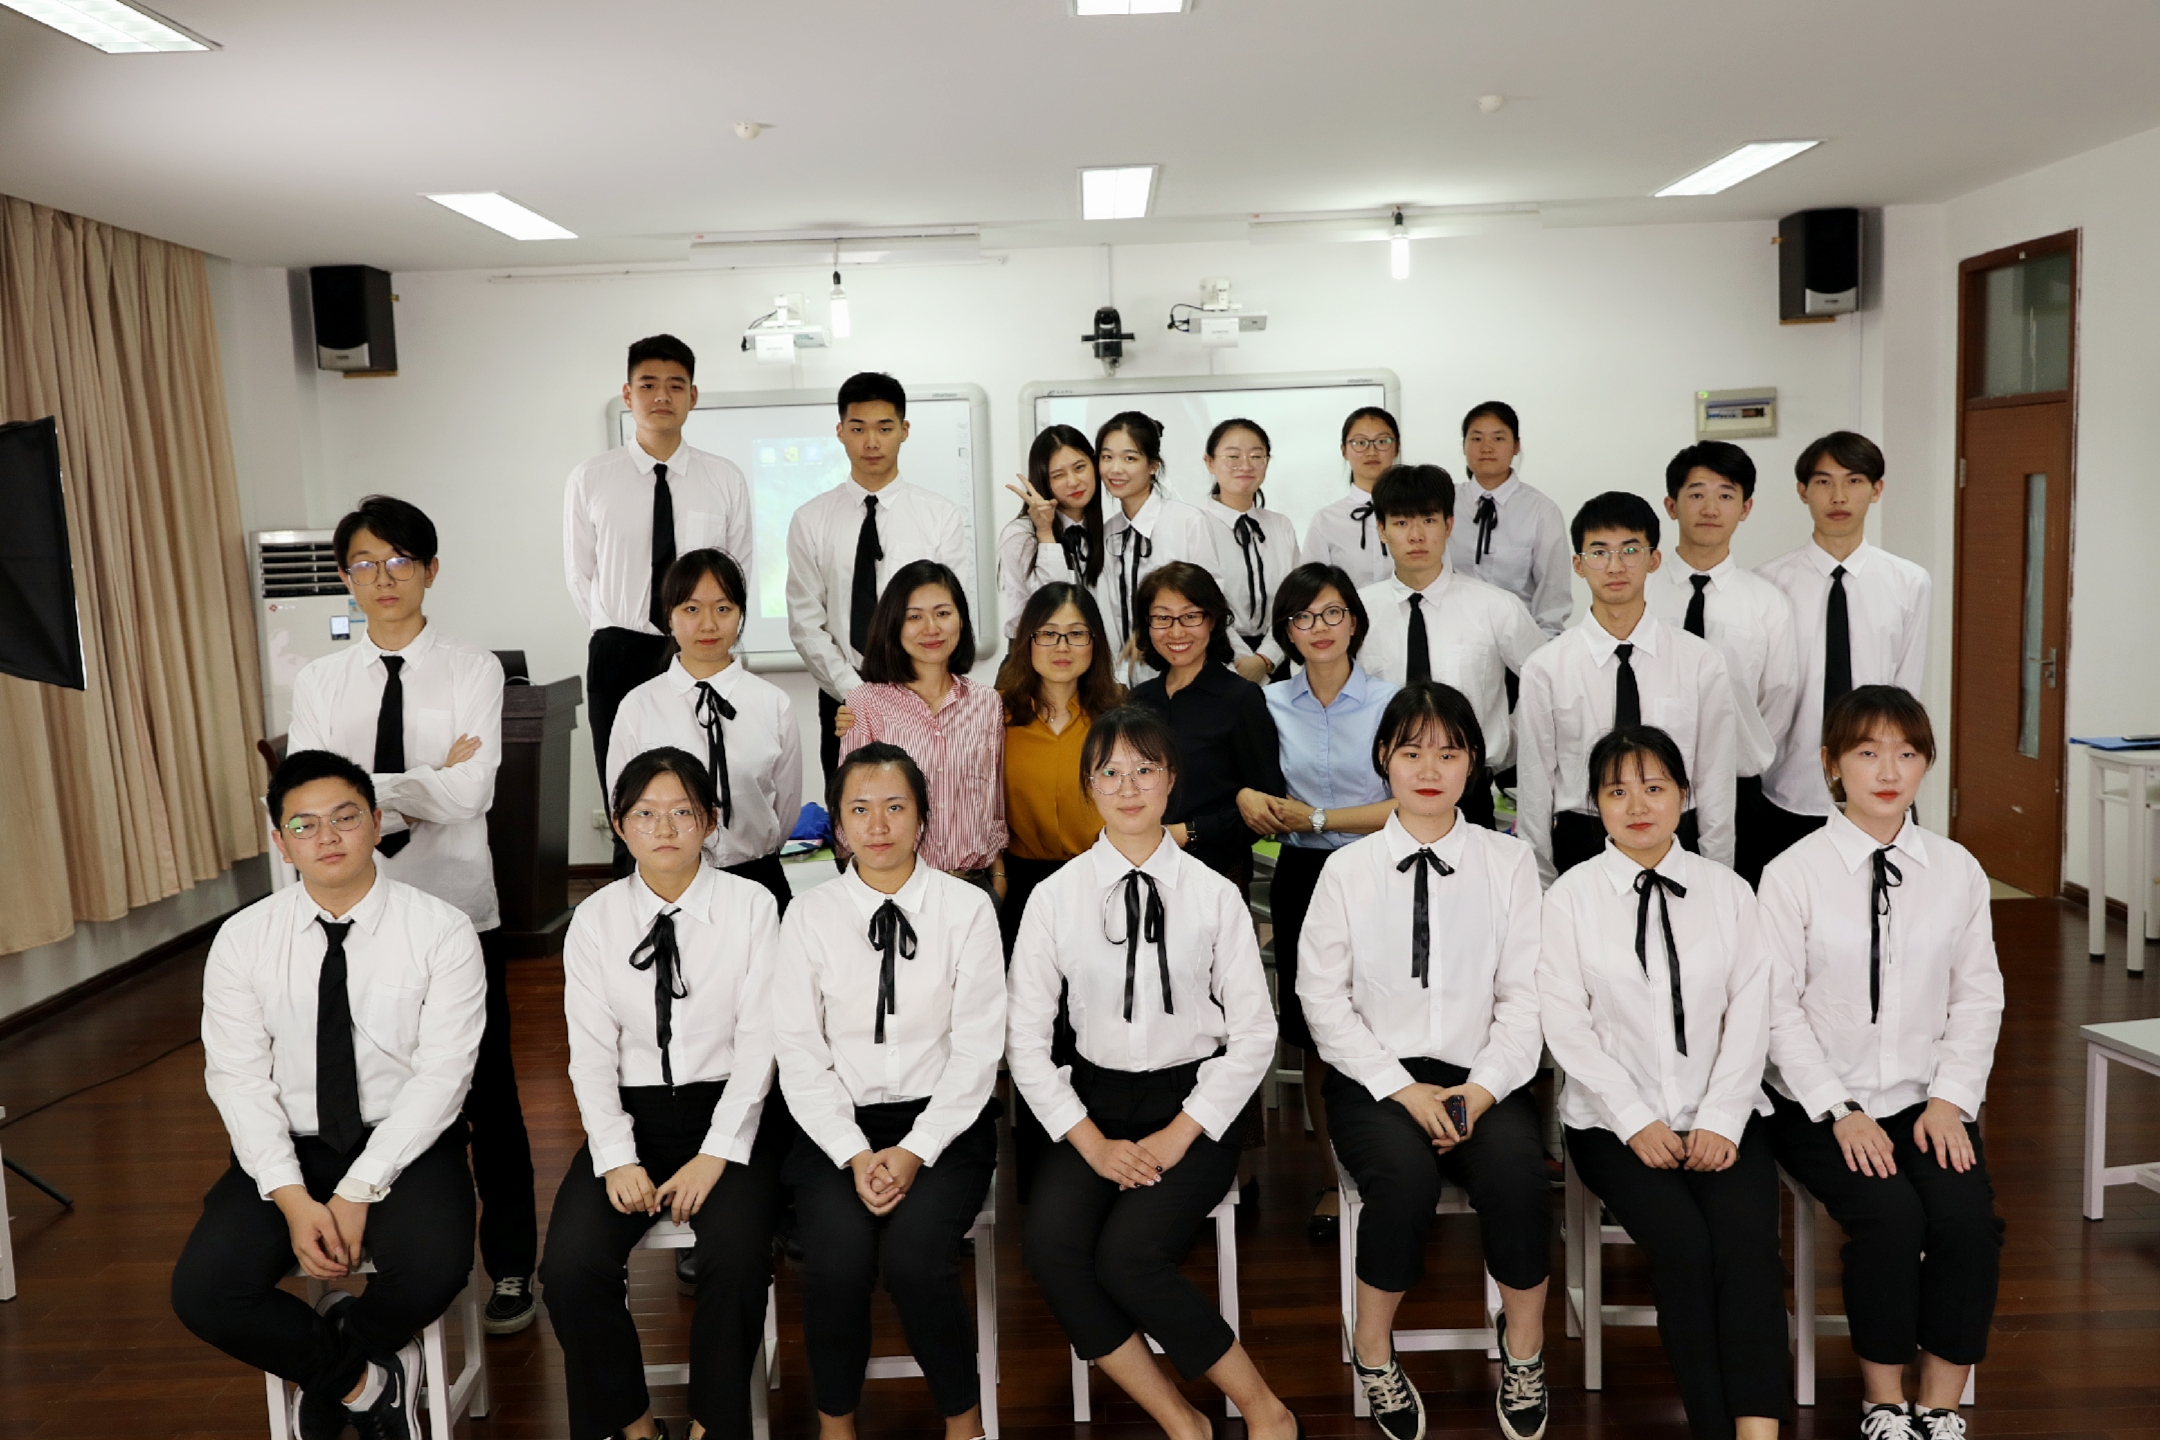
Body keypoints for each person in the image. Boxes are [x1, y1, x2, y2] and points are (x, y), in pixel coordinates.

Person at [1009, 705, 1304, 1440]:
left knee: (1130, 1258)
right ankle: (1181, 1421)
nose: (1128, 786)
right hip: (1094, 1105)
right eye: (1110, 772)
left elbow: (1254, 1033)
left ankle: (1266, 1410)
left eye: (1145, 769)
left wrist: (1182, 1132)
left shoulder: (1213, 893)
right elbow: (1025, 1042)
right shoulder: (1055, 897)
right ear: (1089, 786)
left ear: (1172, 779)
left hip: (1192, 1103)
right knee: (1051, 1249)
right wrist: (1091, 1143)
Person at [173, 749, 485, 1440]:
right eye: (304, 825)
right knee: (204, 1292)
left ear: (376, 822)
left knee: (434, 1269)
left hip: (405, 1141)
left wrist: (358, 1190)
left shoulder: (442, 930)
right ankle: (362, 1384)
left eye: (345, 818)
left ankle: (341, 1353)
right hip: (290, 1145)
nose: (328, 837)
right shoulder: (243, 940)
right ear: (281, 843)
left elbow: (444, 1076)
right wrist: (291, 1197)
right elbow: (238, 1079)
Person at [288, 494, 536, 1335]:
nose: (382, 577)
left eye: (399, 560)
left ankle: (511, 1266)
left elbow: (475, 792)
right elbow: (315, 798)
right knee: (365, 1080)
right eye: (364, 563)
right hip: (353, 915)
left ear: (431, 569)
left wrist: (364, 794)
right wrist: (423, 780)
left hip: (458, 909)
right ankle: (382, 1249)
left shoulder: (473, 670)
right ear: (345, 577)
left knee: (488, 1093)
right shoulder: (320, 681)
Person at [1295, 683, 1551, 1440]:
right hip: (1376, 1079)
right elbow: (1322, 999)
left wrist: (1481, 1089)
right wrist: (1402, 1088)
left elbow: (1527, 996)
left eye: (1449, 751)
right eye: (1412, 752)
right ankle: (1373, 1347)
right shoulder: (1348, 870)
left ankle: (1525, 1347)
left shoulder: (1509, 862)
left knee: (1518, 1176)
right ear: (1384, 758)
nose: (1430, 769)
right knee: (1402, 1183)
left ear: (1473, 762)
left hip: (1484, 1073)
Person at [1761, 686, 2003, 1440]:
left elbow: (1979, 997)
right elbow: (1775, 1011)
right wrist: (1839, 1110)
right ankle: (1884, 1401)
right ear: (1832, 765)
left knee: (1968, 1222)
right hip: (1818, 1105)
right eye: (1867, 752)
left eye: (1907, 752)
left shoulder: (1957, 870)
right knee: (1891, 1218)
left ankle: (1941, 1405)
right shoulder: (1793, 873)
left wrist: (1951, 1099)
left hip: (1927, 1100)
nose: (1889, 771)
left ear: (1927, 763)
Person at [1538, 726, 1788, 1440]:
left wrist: (1722, 1117)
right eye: (1617, 791)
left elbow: (1752, 1012)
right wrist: (1634, 1119)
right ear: (1595, 804)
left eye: (1654, 788)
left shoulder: (1729, 891)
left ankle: (1758, 1432)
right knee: (1682, 1246)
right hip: (1612, 1125)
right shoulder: (1570, 898)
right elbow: (1566, 1027)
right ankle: (1712, 1426)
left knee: (1746, 1247)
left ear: (1684, 794)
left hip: (1725, 1115)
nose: (1638, 806)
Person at [541, 748, 788, 1440]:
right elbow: (590, 1054)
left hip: (732, 1114)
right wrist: (617, 1156)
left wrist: (717, 1152)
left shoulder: (752, 907)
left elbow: (761, 1043)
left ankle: (714, 1426)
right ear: (620, 825)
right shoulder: (594, 919)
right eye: (646, 814)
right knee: (569, 1268)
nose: (666, 828)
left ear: (711, 820)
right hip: (634, 1118)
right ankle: (635, 1427)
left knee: (735, 1258)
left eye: (683, 811)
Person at [774, 744, 1007, 1440]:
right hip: (835, 1127)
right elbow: (799, 1052)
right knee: (835, 1265)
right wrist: (853, 1152)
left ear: (923, 817)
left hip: (945, 1124)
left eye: (895, 807)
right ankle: (836, 1426)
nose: (878, 826)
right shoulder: (809, 916)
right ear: (839, 825)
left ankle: (964, 1424)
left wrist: (915, 1149)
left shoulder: (967, 909)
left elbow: (978, 1050)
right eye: (860, 810)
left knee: (916, 1262)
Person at [1252, 563, 1400, 1243]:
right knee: (1319, 1033)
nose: (1319, 628)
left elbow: (1407, 803)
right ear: (1286, 631)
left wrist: (1317, 817)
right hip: (1305, 878)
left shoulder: (1392, 702)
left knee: (1387, 1022)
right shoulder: (1267, 704)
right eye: (1303, 617)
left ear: (1355, 623)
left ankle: (1396, 1173)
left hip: (1380, 874)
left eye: (1333, 613)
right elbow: (1250, 788)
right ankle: (1338, 1181)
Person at [565, 334, 753, 849]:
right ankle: (630, 881)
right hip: (619, 650)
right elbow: (580, 575)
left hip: (699, 650)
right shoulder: (592, 477)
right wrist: (617, 630)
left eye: (675, 384)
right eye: (648, 385)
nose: (662, 396)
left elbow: (737, 572)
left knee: (703, 784)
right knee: (627, 791)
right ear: (628, 395)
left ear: (693, 395)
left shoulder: (723, 478)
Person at [1515, 490, 1739, 886]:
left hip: (1677, 837)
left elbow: (1716, 780)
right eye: (1599, 552)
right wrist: (1541, 882)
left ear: (1654, 560)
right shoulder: (1545, 668)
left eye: (1630, 550)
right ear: (1578, 565)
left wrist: (1717, 875)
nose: (1615, 565)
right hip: (1582, 838)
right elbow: (1535, 786)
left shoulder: (1700, 661)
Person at [1755, 433, 1930, 869]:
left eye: (1853, 481)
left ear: (1876, 489)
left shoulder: (1909, 582)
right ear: (1802, 491)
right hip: (1789, 788)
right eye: (1823, 482)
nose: (1838, 496)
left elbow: (1906, 690)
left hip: (1879, 788)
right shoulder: (1767, 584)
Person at [786, 372, 973, 779]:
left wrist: (912, 690)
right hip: (843, 699)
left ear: (904, 430)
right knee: (853, 807)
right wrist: (856, 693)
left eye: (884, 428)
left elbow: (951, 611)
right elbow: (805, 621)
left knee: (935, 803)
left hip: (923, 693)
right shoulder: (810, 519)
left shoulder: (939, 515)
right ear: (840, 432)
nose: (871, 442)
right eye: (858, 428)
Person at [607, 548, 803, 915]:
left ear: (741, 614)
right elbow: (624, 804)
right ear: (669, 616)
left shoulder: (773, 703)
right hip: (669, 883)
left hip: (757, 878)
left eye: (723, 608)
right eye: (692, 609)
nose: (708, 624)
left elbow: (786, 807)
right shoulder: (638, 706)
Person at [1354, 463, 1546, 832]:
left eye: (1428, 520)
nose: (1416, 536)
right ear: (1381, 529)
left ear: (1448, 525)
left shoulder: (1495, 606)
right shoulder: (1358, 612)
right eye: (1401, 522)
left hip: (1469, 790)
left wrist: (1509, 739)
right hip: (1377, 793)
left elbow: (1548, 683)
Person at [1649, 443, 1803, 888]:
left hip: (1737, 787)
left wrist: (1733, 751)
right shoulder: (1641, 590)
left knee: (1733, 901)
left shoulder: (1766, 601)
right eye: (1697, 493)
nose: (1711, 508)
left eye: (1726, 494)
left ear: (1746, 508)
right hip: (1649, 781)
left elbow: (1778, 697)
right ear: (1671, 505)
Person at [836, 560, 1006, 890]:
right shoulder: (864, 703)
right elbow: (851, 808)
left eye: (942, 613)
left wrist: (998, 877)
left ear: (961, 619)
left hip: (973, 885)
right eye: (914, 616)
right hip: (896, 886)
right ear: (894, 625)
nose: (931, 628)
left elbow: (993, 801)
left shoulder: (986, 702)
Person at [1126, 561, 1285, 890]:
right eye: (1162, 618)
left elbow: (1267, 806)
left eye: (1190, 616)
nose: (1176, 632)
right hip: (1143, 872)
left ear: (1212, 621)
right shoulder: (1139, 700)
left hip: (1215, 876)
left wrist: (1189, 832)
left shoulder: (1241, 698)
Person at [995, 581, 1122, 955]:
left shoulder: (1119, 716)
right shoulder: (995, 714)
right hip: (1021, 886)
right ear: (1028, 641)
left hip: (1103, 884)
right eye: (1048, 634)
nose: (1062, 647)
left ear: (1094, 642)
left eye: (1076, 634)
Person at [1093, 411, 1220, 685]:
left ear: (1153, 465)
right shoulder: (1106, 533)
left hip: (1184, 676)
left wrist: (1148, 634)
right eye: (1107, 457)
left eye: (1129, 458)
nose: (1115, 469)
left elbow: (1211, 603)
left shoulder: (1186, 522)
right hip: (1122, 682)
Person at [1445, 401, 1573, 639]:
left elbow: (1553, 597)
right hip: (1452, 637)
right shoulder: (1444, 503)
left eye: (1498, 438)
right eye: (1476, 438)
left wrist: (1540, 651)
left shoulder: (1541, 511)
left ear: (1516, 446)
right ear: (1464, 446)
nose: (1486, 448)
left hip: (1518, 641)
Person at [1198, 417, 1302, 684]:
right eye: (1233, 456)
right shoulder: (1195, 525)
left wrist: (1265, 659)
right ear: (1210, 462)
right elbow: (1205, 604)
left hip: (1278, 658)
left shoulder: (1280, 525)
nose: (1245, 465)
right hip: (1217, 657)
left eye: (1256, 456)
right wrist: (1243, 662)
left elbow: (1295, 598)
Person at [998, 424, 1105, 639]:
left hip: (1088, 652)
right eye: (1058, 475)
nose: (1073, 482)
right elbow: (1054, 607)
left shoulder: (1104, 531)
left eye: (1079, 468)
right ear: (1043, 481)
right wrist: (1045, 532)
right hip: (1034, 653)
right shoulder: (1020, 535)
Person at [1303, 406, 1401, 588]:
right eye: (1360, 442)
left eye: (1382, 441)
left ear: (1396, 448)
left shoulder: (1417, 513)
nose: (1371, 451)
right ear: (1344, 450)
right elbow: (1311, 589)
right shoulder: (1326, 520)